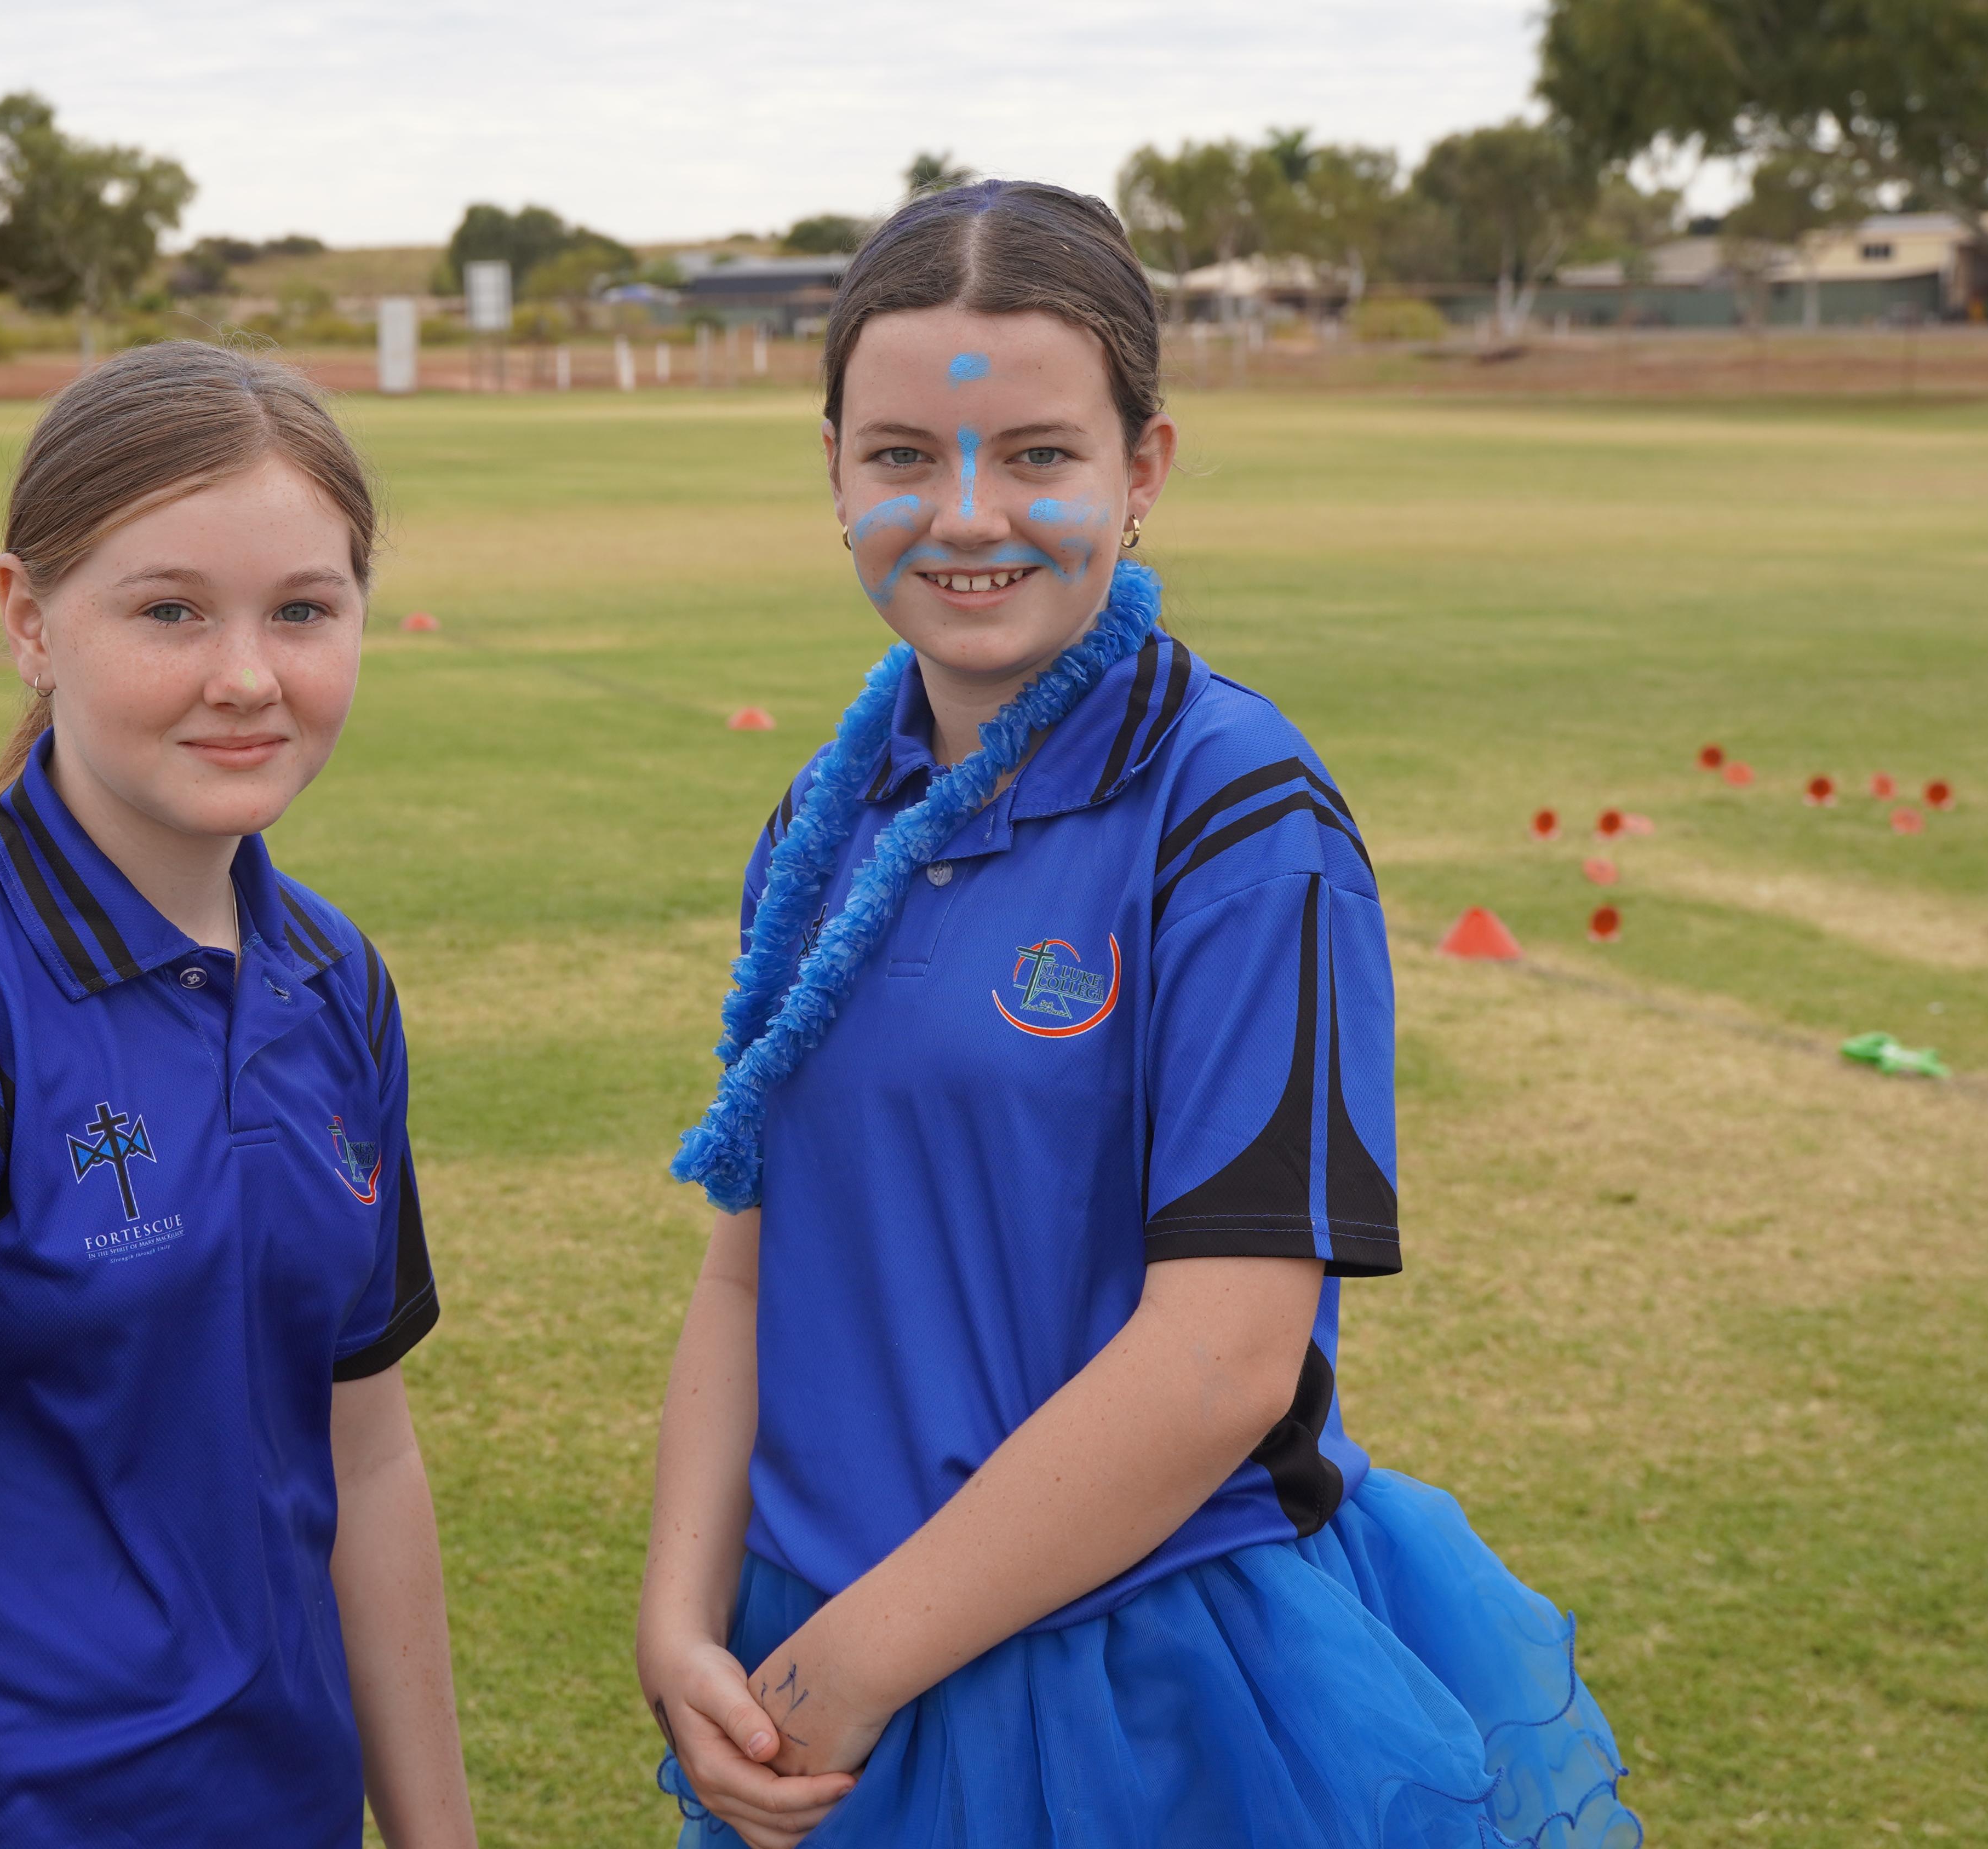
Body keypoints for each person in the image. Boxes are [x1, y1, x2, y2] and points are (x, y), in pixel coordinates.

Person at [634, 182, 1641, 1849]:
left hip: (1134, 1674)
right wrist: (684, 1619)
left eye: (1039, 455)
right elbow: (750, 1264)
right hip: (813, 1663)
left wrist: (853, 1669)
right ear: (835, 475)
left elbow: (1222, 1357)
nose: (968, 515)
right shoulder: (825, 815)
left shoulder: (1237, 817)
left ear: (1143, 469)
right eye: (902, 458)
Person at [0, 342, 474, 1849]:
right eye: (169, 611)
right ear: (30, 619)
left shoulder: (334, 981)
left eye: (303, 611)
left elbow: (368, 1455)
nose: (247, 676)